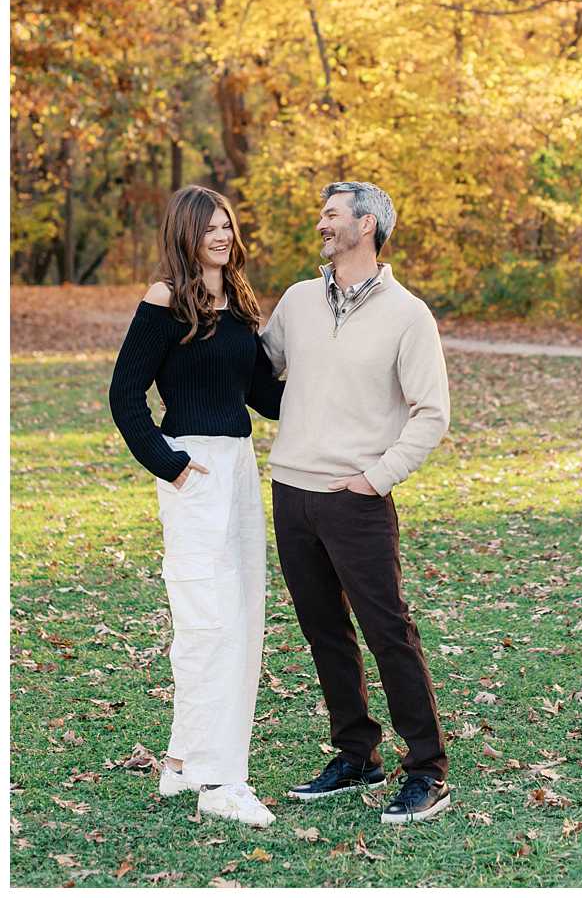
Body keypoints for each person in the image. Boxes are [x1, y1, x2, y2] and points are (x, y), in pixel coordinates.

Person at [258, 180, 454, 824]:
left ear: (367, 225)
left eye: (332, 214)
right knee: (324, 632)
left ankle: (426, 769)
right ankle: (356, 755)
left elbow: (432, 413)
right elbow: (261, 370)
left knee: (388, 631)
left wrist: (378, 477)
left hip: (357, 499)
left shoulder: (408, 314)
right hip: (292, 493)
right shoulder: (297, 300)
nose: (322, 222)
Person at [109, 185, 285, 828]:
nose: (222, 234)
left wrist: (338, 405)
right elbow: (124, 396)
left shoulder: (239, 302)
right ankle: (220, 782)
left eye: (228, 224)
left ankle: (184, 763)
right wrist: (173, 466)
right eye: (210, 226)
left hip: (238, 467)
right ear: (186, 232)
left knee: (235, 616)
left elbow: (266, 397)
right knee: (208, 618)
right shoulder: (165, 299)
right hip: (195, 469)